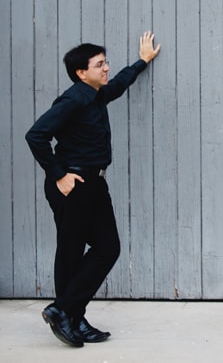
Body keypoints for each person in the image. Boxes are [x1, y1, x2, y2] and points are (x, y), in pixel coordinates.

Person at [26, 31, 161, 347]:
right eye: (99, 64)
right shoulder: (73, 99)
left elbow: (119, 84)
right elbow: (36, 135)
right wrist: (59, 175)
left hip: (94, 183)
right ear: (81, 72)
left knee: (107, 247)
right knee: (71, 252)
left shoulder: (96, 94)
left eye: (106, 62)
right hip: (73, 185)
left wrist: (142, 61)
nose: (106, 68)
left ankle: (67, 312)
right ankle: (70, 316)